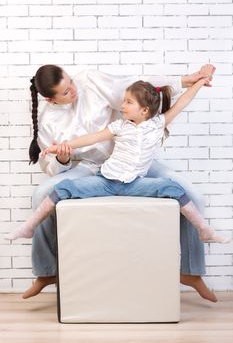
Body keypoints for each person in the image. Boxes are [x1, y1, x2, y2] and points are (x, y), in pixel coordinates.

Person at [15, 63, 218, 301]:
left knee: (193, 195)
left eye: (71, 82)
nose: (74, 90)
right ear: (50, 100)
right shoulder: (47, 122)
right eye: (66, 92)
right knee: (41, 195)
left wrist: (188, 80)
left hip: (134, 163)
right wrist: (63, 158)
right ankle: (47, 273)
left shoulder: (90, 80)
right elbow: (51, 168)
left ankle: (190, 272)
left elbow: (137, 85)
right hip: (90, 169)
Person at [6, 78, 229, 246]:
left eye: (128, 102)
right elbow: (92, 137)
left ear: (144, 110)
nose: (122, 106)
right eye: (123, 101)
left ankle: (203, 229)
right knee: (63, 188)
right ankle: (29, 226)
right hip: (106, 181)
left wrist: (199, 82)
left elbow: (182, 103)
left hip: (134, 184)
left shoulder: (158, 123)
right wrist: (60, 147)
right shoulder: (119, 126)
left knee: (173, 188)